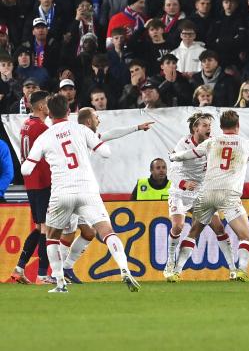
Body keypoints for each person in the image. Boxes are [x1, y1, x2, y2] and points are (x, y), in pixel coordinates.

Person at [20, 94, 140, 292]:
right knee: (106, 231)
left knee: (51, 236)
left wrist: (44, 159)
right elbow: (106, 152)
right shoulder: (81, 129)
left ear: (49, 113)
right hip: (87, 190)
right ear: (69, 111)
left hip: (61, 193)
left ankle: (59, 282)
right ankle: (125, 269)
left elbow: (25, 169)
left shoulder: (45, 136)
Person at [168, 110, 249, 282]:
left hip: (207, 193)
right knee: (246, 236)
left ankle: (176, 271)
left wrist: (173, 156)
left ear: (220, 127)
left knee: (193, 233)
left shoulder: (212, 142)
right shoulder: (245, 144)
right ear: (238, 126)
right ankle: (240, 270)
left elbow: (190, 154)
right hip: (229, 195)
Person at [58, 107, 153, 284]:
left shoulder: (74, 135)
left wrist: (137, 127)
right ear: (88, 122)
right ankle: (55, 273)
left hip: (75, 190)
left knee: (89, 232)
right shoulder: (84, 135)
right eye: (96, 117)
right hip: (73, 190)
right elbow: (106, 144)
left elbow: (111, 134)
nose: (99, 120)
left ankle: (66, 268)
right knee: (68, 234)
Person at [162, 113, 236, 281]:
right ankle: (169, 263)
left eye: (209, 125)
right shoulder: (183, 143)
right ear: (195, 128)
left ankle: (233, 269)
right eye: (204, 125)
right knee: (178, 227)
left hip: (201, 192)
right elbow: (172, 170)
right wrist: (183, 184)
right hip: (180, 192)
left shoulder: (214, 143)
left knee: (219, 228)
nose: (208, 127)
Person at [9, 91, 52, 285]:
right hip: (42, 181)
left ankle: (19, 269)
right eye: (49, 104)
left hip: (30, 182)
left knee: (38, 226)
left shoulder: (25, 125)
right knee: (45, 228)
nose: (50, 107)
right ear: (42, 107)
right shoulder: (42, 128)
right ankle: (42, 275)